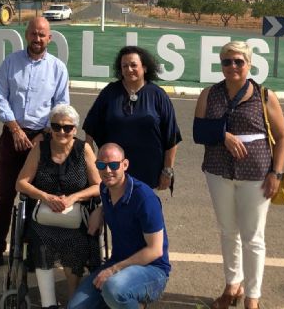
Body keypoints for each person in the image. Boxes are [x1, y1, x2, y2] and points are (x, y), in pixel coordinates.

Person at [193, 41, 284, 309]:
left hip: (256, 174)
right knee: (227, 231)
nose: (233, 66)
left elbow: (282, 137)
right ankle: (232, 285)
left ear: (248, 64)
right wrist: (222, 136)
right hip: (218, 171)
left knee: (253, 236)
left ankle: (252, 297)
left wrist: (276, 173)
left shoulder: (264, 96)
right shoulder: (209, 94)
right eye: (227, 62)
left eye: (239, 61)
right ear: (221, 64)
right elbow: (198, 132)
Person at [0, 16, 69, 277]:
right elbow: (0, 96)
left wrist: (45, 134)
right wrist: (15, 128)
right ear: (26, 35)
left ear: (49, 38)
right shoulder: (11, 63)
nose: (37, 39)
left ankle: (31, 252)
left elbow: (61, 105)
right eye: (33, 33)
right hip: (12, 135)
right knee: (5, 196)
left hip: (42, 139)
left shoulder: (57, 68)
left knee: (35, 199)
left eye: (42, 35)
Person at [16, 104, 101, 308]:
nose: (61, 131)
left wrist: (74, 198)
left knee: (77, 244)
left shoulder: (84, 149)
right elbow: (21, 183)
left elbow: (100, 186)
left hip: (75, 217)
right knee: (41, 242)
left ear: (75, 129)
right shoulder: (40, 148)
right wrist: (45, 196)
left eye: (67, 127)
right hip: (44, 217)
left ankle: (73, 301)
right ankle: (48, 303)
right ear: (50, 128)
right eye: (56, 126)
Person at [68, 142, 170, 309]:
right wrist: (100, 211)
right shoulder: (105, 189)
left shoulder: (145, 198)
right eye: (102, 165)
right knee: (75, 307)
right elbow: (109, 200)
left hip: (152, 270)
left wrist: (114, 269)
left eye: (114, 165)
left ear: (125, 165)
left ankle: (135, 302)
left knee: (114, 289)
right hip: (119, 264)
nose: (107, 171)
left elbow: (155, 250)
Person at [83, 46, 182, 190]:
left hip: (148, 171)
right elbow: (90, 130)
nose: (129, 69)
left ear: (145, 67)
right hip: (114, 170)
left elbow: (171, 137)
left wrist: (167, 171)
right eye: (125, 66)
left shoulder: (158, 95)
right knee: (114, 210)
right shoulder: (109, 93)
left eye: (133, 65)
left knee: (144, 209)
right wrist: (92, 166)